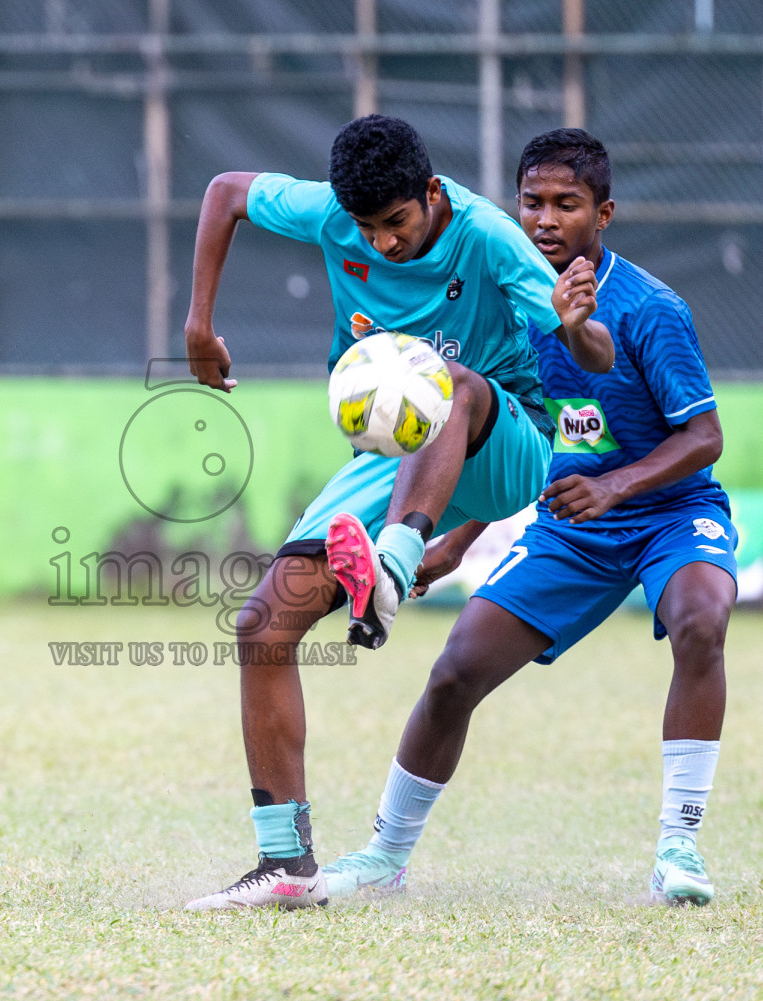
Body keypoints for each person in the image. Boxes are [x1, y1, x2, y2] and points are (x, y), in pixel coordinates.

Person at [182, 115, 614, 911]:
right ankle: (285, 863)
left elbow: (595, 356)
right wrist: (199, 323)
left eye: (398, 224)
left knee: (447, 379)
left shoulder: (485, 234)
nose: (380, 244)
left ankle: (393, 562)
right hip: (388, 458)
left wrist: (579, 325)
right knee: (261, 624)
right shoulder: (329, 213)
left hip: (503, 439)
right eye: (366, 229)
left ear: (431, 193)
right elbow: (225, 193)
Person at [323, 128, 736, 906]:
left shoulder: (650, 308)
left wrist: (618, 489)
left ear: (602, 213)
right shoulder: (514, 309)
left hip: (670, 513)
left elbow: (705, 437)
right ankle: (385, 856)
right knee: (453, 673)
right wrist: (459, 540)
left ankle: (680, 847)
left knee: (701, 621)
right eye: (531, 202)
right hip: (570, 525)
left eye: (566, 204)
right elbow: (527, 436)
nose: (545, 219)